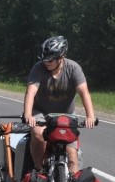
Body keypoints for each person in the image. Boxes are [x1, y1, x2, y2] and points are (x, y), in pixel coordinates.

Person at [23, 35, 96, 174]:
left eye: (50, 59)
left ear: (61, 57)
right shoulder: (38, 68)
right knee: (38, 133)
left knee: (72, 157)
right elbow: (31, 92)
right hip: (41, 112)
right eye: (44, 58)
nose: (47, 62)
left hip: (65, 115)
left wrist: (90, 116)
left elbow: (84, 92)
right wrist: (28, 115)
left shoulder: (73, 68)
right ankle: (39, 170)